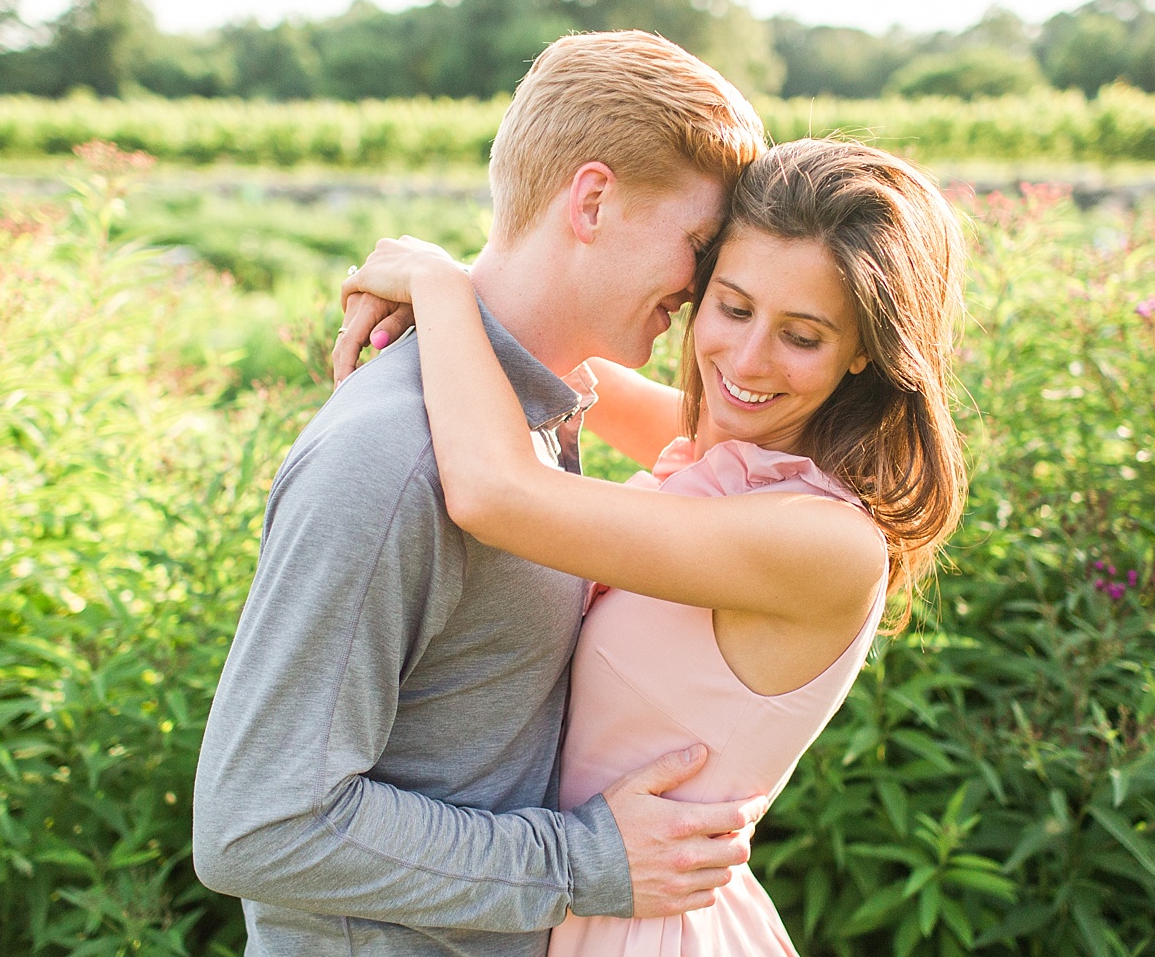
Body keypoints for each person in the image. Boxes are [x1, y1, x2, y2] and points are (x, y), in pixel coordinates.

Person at [192, 31, 770, 957]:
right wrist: (580, 863)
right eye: (699, 247)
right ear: (593, 200)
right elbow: (258, 824)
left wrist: (444, 282)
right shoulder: (393, 458)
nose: (703, 292)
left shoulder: (536, 408)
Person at [335, 137, 969, 954]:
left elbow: (496, 493)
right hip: (576, 892)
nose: (746, 360)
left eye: (802, 336)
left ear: (864, 353)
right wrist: (453, 285)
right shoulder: (726, 453)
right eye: (733, 308)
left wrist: (438, 285)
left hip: (642, 927)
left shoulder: (824, 542)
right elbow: (553, 353)